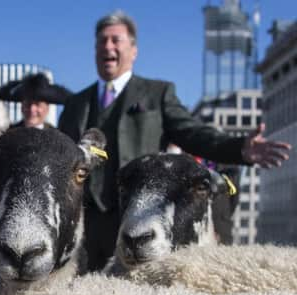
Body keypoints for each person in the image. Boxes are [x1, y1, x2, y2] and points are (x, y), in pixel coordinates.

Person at [58, 11, 291, 271]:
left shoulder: (158, 93)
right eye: (101, 41)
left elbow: (192, 133)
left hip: (140, 223)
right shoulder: (75, 104)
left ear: (133, 50)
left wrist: (238, 148)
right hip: (84, 228)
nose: (107, 47)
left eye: (115, 40)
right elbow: (61, 162)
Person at [0, 73, 71, 129]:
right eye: (28, 104)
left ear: (47, 108)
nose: (32, 109)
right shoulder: (7, 134)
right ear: (22, 106)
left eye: (37, 104)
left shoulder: (57, 137)